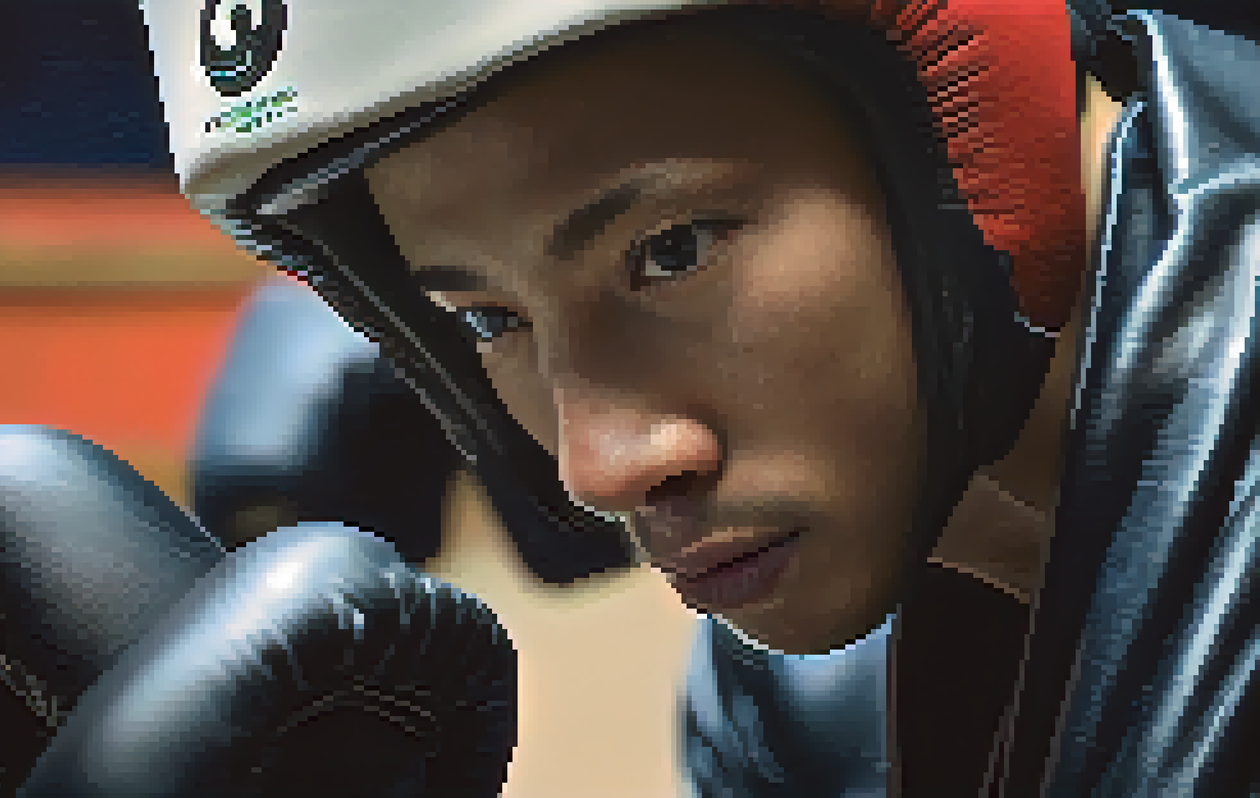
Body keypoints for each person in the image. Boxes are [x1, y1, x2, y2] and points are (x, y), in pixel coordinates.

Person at [142, 0, 1091, 793]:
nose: (596, 468)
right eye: (484, 319)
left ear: (964, 137)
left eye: (671, 250)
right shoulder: (801, 706)